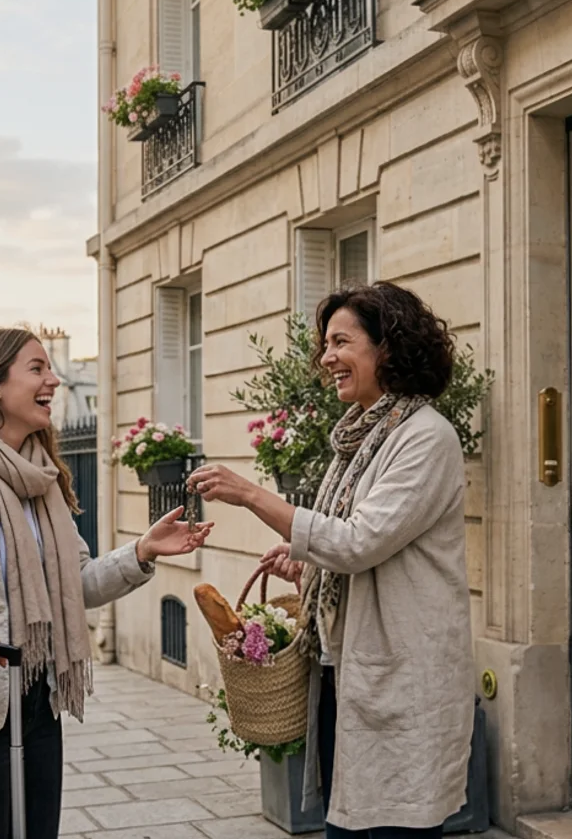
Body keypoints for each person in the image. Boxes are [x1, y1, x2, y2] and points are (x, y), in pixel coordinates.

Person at [0, 325, 213, 839]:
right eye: (36, 369)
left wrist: (141, 551)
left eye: (50, 369)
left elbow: (75, 586)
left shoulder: (42, 480)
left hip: (39, 699)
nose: (54, 381)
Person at [189, 282, 474, 838]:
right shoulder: (362, 437)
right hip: (346, 676)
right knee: (349, 825)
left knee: (393, 825)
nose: (326, 358)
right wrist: (309, 564)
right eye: (326, 345)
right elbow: (355, 545)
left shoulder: (425, 437)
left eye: (341, 342)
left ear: (388, 347)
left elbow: (359, 541)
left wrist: (251, 495)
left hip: (402, 676)